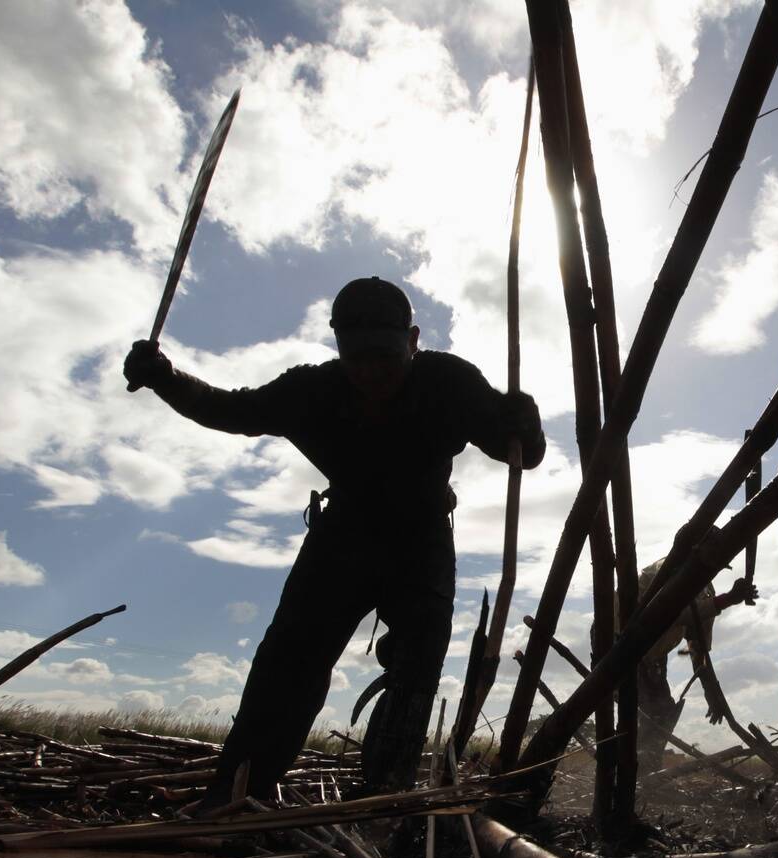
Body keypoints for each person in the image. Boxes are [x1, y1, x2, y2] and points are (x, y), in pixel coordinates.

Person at [124, 277, 544, 807]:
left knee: (417, 666)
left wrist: (525, 424)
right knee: (288, 663)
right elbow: (228, 410)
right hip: (343, 538)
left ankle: (381, 798)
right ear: (339, 348)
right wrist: (163, 378)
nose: (371, 371)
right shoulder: (312, 392)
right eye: (357, 356)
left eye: (385, 356)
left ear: (413, 341)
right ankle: (239, 793)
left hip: (422, 543)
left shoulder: (449, 384)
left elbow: (521, 454)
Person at [631, 557, 755, 773]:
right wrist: (726, 600)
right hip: (621, 644)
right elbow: (672, 612)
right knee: (645, 710)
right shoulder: (667, 571)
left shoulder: (705, 592)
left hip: (653, 657)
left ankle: (644, 773)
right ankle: (628, 772)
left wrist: (711, 693)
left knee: (663, 712)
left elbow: (698, 649)